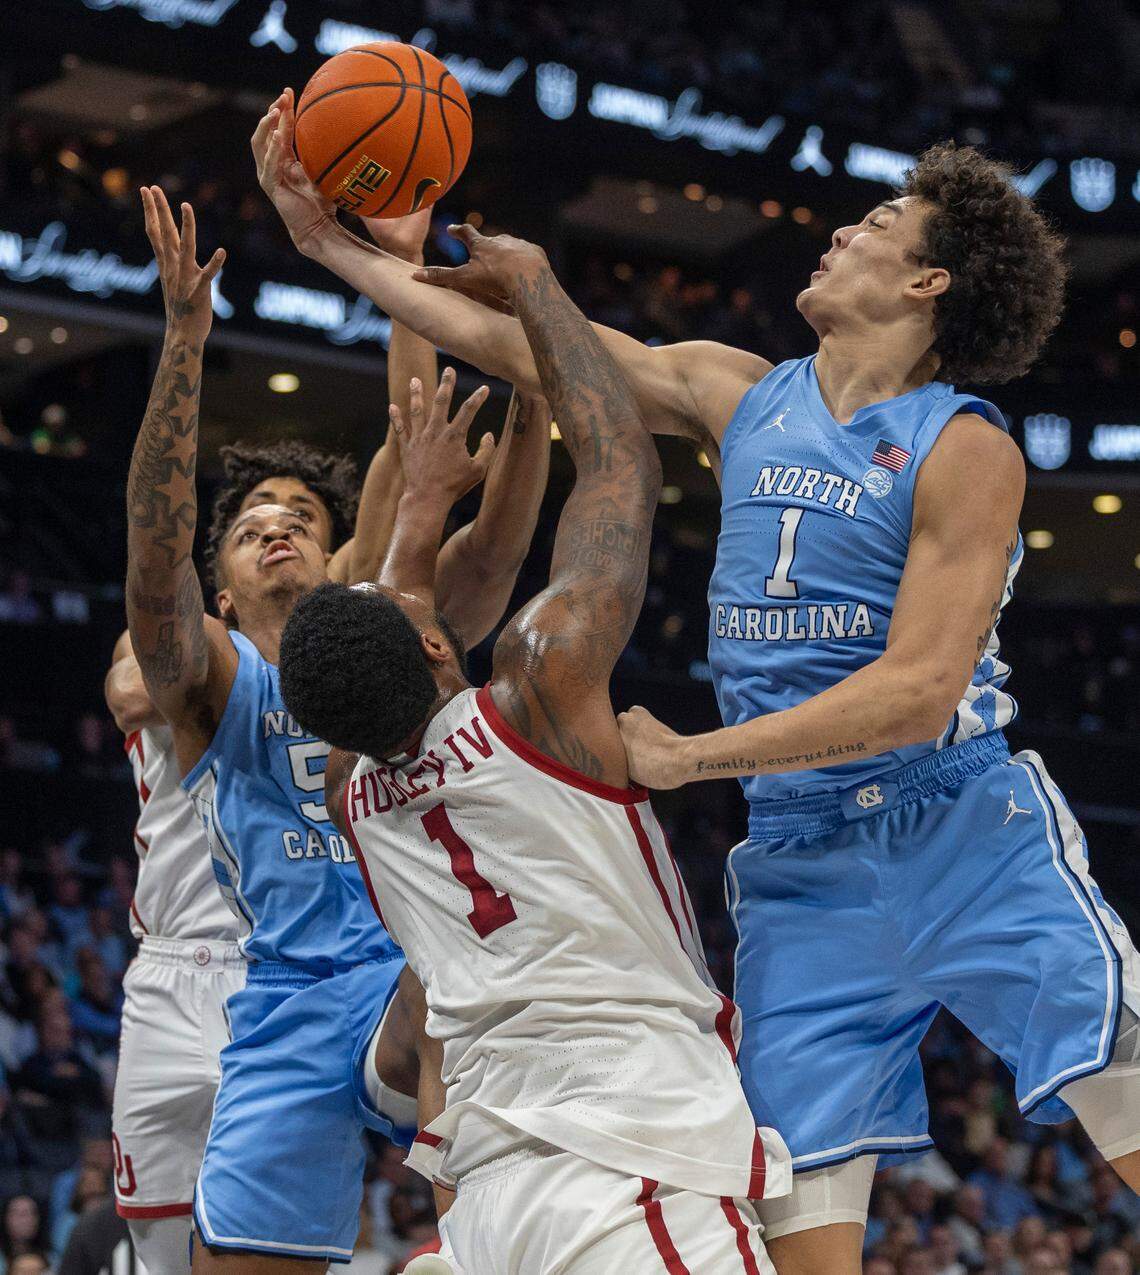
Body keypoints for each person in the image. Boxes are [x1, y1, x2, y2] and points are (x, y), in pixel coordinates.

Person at [251, 96, 1140, 1275]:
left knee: (1127, 1110)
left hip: (960, 826)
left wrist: (687, 759)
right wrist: (332, 248)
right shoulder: (738, 390)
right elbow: (537, 357)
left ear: (931, 285)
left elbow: (919, 690)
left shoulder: (964, 445)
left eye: (878, 223)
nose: (840, 234)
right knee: (796, 1239)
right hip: (801, 870)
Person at [278, 230, 791, 1273]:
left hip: (493, 1186)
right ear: (434, 643)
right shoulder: (540, 687)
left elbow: (401, 623)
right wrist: (537, 289)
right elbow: (620, 459)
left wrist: (419, 510)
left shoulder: (350, 793)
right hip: (630, 1154)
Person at [124, 187, 547, 1271]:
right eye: (252, 528)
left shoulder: (385, 626)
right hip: (283, 995)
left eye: (299, 522)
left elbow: (417, 455)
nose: (276, 533)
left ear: (336, 557)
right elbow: (153, 538)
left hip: (410, 981)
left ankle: (477, 1236)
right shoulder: (213, 684)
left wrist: (403, 269)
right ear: (216, 593)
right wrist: (184, 341)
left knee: (455, 973)